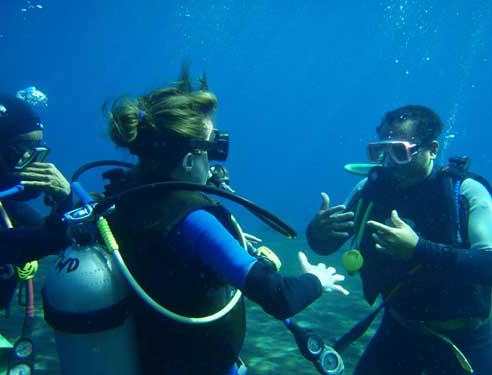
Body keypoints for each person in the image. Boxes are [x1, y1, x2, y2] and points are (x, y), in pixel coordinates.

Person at [104, 69, 349, 375]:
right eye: (212, 147)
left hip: (152, 359)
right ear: (190, 160)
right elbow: (279, 297)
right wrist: (316, 280)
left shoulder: (123, 198)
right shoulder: (194, 222)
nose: (216, 160)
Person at [307, 104, 492, 374]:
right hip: (399, 325)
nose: (389, 162)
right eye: (379, 151)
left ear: (433, 149)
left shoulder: (464, 192)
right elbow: (325, 246)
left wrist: (419, 249)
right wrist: (317, 231)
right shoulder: (371, 190)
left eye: (399, 151)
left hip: (465, 337)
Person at [0, 93, 71, 320]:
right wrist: (65, 201)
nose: (33, 160)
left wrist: (61, 206)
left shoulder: (3, 202)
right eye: (22, 149)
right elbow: (8, 247)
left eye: (38, 148)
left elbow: (59, 239)